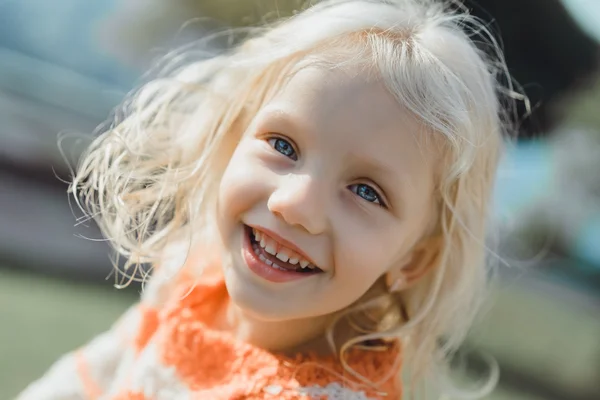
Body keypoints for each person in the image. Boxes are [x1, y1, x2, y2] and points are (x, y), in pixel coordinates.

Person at [18, 0, 514, 398]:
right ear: (233, 137)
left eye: (366, 192)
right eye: (283, 145)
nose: (295, 203)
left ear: (414, 259)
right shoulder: (192, 283)